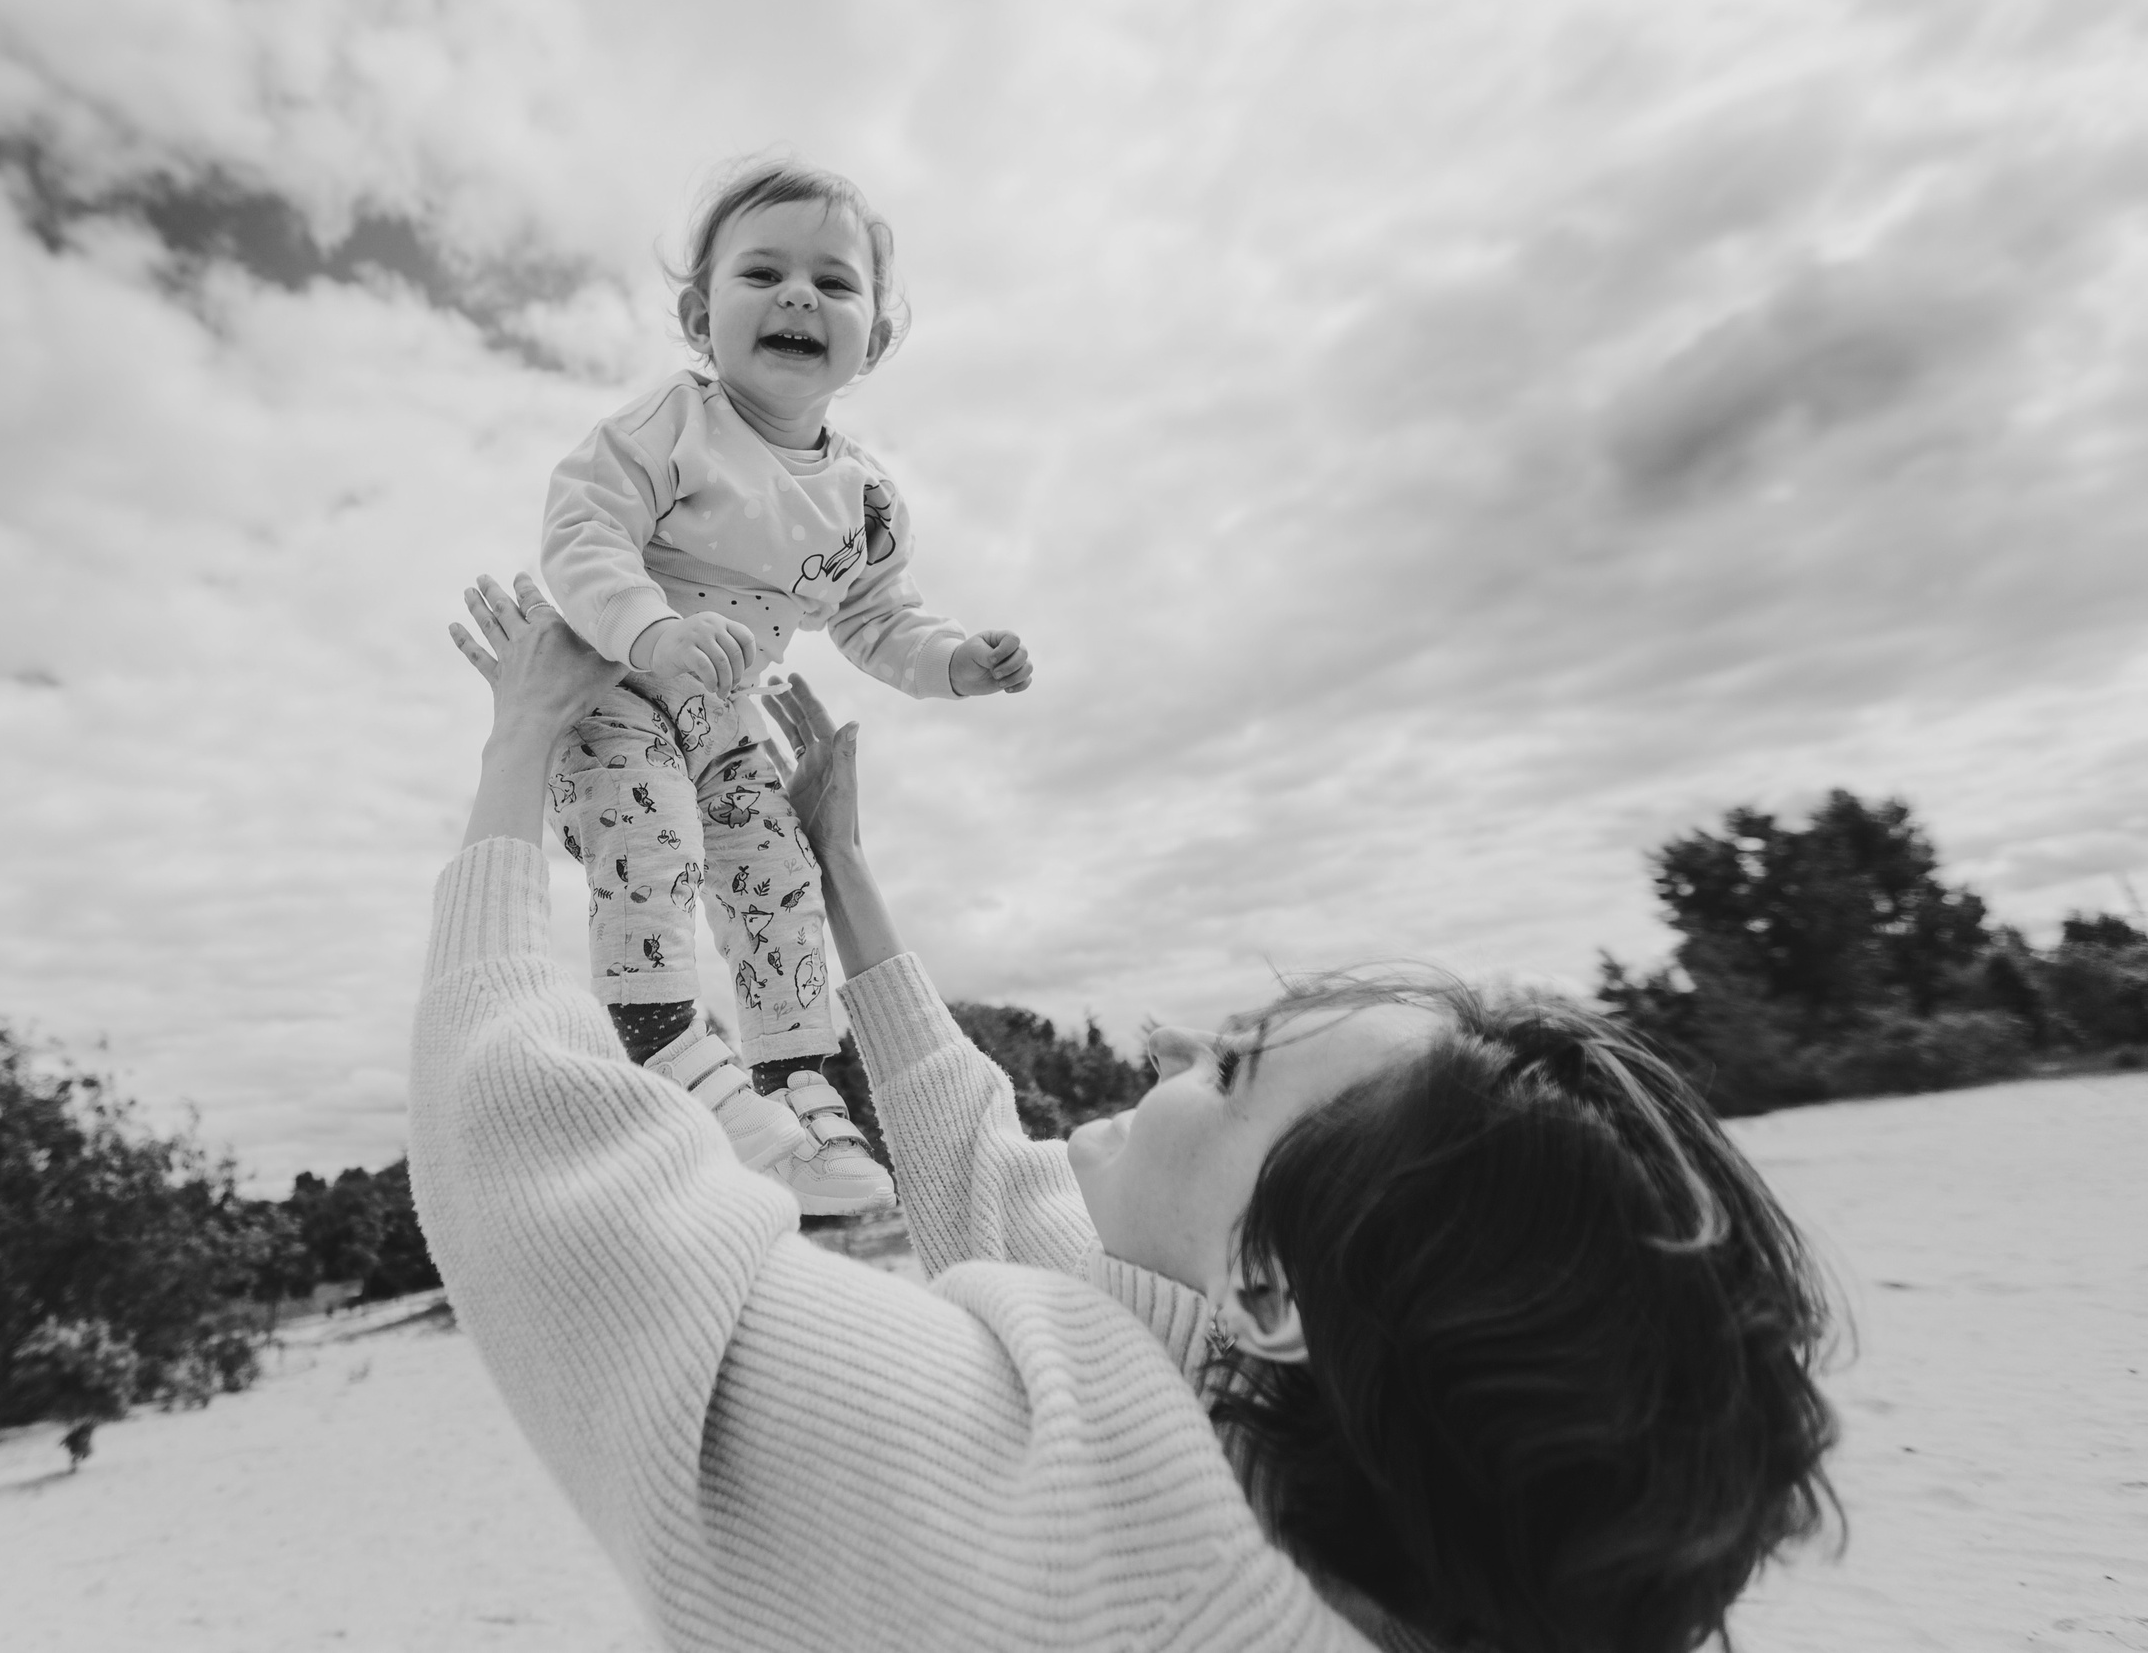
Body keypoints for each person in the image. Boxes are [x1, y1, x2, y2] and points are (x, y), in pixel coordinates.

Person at [417, 574, 1838, 1653]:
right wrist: (841, 872)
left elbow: (549, 1201)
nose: (1166, 1037)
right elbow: (1010, 1198)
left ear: (1272, 1282)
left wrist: (525, 743)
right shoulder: (1320, 1466)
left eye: (1229, 1065)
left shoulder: (1051, 1551)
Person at [536, 158, 1033, 1214]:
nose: (798, 294)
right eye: (761, 272)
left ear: (876, 340)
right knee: (655, 844)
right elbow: (581, 535)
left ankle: (791, 1080)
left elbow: (877, 616)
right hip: (615, 699)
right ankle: (664, 1045)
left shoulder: (863, 500)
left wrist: (953, 665)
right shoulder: (668, 428)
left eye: (834, 283)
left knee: (778, 871)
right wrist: (654, 628)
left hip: (723, 724)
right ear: (697, 314)